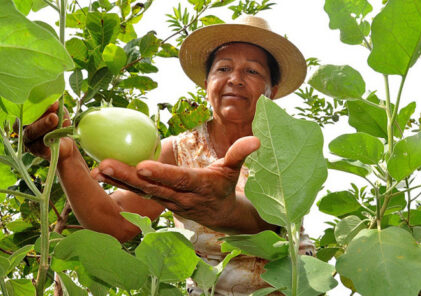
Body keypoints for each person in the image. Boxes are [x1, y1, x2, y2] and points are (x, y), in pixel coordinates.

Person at [24, 15, 315, 295]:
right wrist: (66, 158)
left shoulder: (287, 146)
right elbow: (114, 223)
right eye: (223, 69)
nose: (235, 79)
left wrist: (224, 210)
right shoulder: (177, 150)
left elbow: (270, 219)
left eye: (252, 71)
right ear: (206, 84)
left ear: (272, 90)